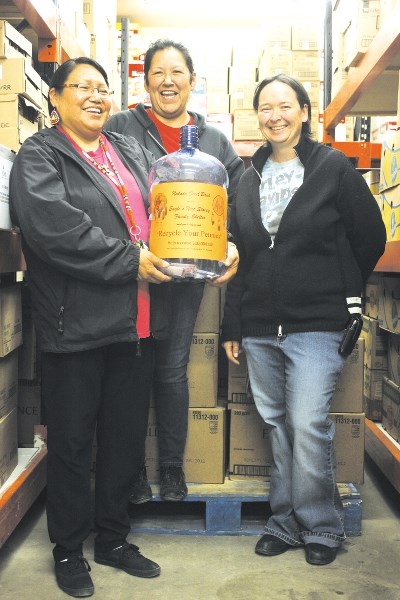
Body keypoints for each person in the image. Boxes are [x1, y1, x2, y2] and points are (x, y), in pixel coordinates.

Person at [9, 57, 173, 598]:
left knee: (125, 442)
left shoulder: (126, 149)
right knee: (75, 443)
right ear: (55, 98)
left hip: (136, 321)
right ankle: (68, 548)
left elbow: (168, 205)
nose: (96, 96)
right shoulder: (40, 156)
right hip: (75, 324)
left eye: (103, 88)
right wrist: (130, 259)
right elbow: (57, 231)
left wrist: (212, 241)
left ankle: (114, 538)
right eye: (82, 87)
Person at [221, 74, 386, 566]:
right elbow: (241, 257)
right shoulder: (246, 177)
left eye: (285, 105)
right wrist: (234, 325)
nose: (275, 115)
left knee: (308, 422)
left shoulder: (332, 167)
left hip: (317, 322)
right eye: (266, 107)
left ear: (305, 111)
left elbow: (370, 237)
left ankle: (321, 527)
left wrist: (339, 285)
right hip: (258, 326)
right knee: (276, 423)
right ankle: (285, 521)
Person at [104, 38, 244, 503]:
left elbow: (236, 204)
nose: (168, 81)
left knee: (172, 371)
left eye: (176, 72)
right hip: (135, 272)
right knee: (133, 370)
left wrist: (232, 245)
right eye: (158, 73)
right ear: (146, 83)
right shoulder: (120, 126)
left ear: (192, 80)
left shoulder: (215, 141)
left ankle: (171, 469)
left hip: (188, 275)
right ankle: (132, 475)